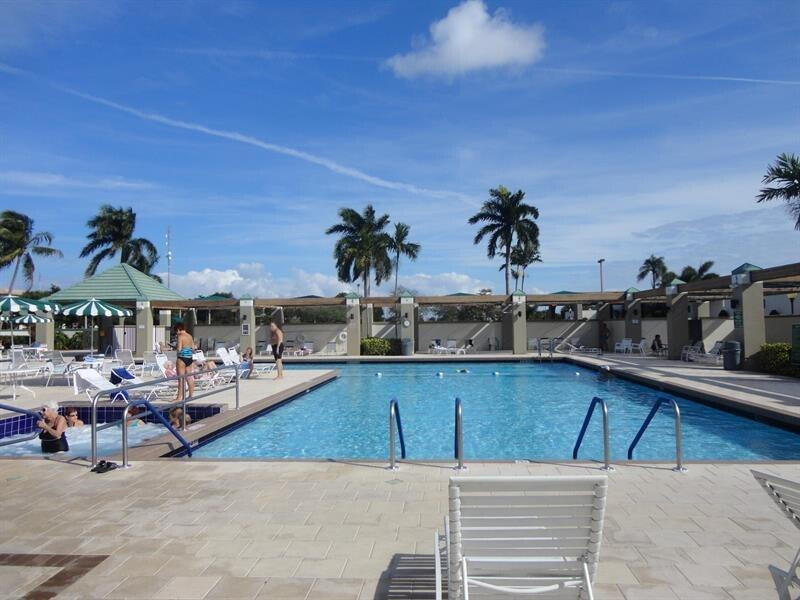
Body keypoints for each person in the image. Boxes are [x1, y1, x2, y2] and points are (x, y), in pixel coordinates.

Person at [174, 323, 195, 403]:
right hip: (189, 358)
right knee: (189, 377)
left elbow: (179, 349)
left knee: (181, 379)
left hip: (182, 359)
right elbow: (193, 348)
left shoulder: (180, 336)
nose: (176, 333)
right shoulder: (190, 336)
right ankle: (190, 396)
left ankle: (179, 398)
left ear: (178, 329)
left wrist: (175, 347)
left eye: (176, 331)